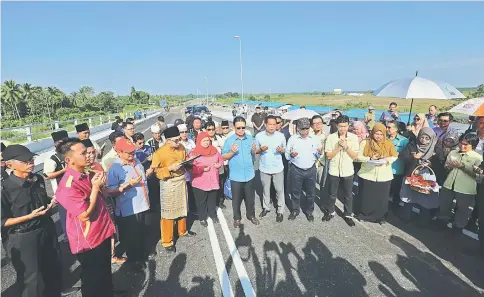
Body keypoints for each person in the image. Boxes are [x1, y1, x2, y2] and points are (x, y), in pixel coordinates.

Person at [56, 138, 116, 297]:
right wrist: (95, 188)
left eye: (89, 151)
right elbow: (84, 215)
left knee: (104, 271)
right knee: (92, 278)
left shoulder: (87, 173)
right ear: (69, 160)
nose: (90, 155)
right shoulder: (68, 185)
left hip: (102, 230)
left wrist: (100, 185)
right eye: (83, 153)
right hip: (88, 239)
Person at [1, 145, 62, 297]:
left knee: (52, 268)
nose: (31, 163)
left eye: (31, 159)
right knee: (30, 278)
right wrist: (28, 217)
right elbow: (2, 221)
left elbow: (41, 200)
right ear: (10, 165)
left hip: (46, 228)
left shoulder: (37, 179)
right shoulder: (5, 189)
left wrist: (51, 202)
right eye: (25, 161)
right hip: (23, 236)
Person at [106, 137, 150, 271]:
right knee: (132, 237)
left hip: (142, 204)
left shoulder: (136, 161)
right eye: (128, 153)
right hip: (128, 208)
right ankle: (135, 261)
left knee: (141, 232)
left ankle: (141, 255)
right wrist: (127, 186)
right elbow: (110, 192)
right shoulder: (115, 168)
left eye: (133, 152)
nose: (132, 155)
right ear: (119, 152)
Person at [151, 126, 196, 252]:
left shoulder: (181, 147)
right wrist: (170, 168)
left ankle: (182, 231)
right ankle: (167, 241)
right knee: (168, 213)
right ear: (167, 141)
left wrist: (189, 163)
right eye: (176, 140)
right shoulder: (159, 153)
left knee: (183, 206)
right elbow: (156, 172)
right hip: (168, 183)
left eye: (179, 139)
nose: (179, 142)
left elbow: (185, 160)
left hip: (181, 180)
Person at [438, 133, 482, 230]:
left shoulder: (478, 158)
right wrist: (448, 167)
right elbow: (446, 167)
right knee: (444, 205)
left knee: (462, 210)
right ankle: (442, 223)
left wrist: (463, 167)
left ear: (473, 145)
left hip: (466, 189)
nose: (462, 146)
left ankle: (458, 228)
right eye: (461, 143)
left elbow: (479, 177)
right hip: (449, 184)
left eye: (466, 144)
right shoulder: (453, 153)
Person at [222, 116, 260, 228]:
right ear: (234, 127)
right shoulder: (229, 141)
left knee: (250, 199)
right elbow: (224, 156)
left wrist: (254, 151)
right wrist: (232, 152)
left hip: (249, 175)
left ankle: (251, 215)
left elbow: (253, 154)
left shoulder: (250, 139)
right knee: (236, 200)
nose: (241, 130)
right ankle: (237, 218)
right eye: (238, 128)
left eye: (243, 127)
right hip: (236, 176)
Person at [356, 123, 398, 224]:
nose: (378, 136)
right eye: (376, 133)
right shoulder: (365, 143)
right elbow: (357, 157)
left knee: (381, 198)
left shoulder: (388, 143)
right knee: (366, 196)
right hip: (367, 174)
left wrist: (387, 160)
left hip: (384, 175)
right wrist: (369, 159)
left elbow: (394, 156)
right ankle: (364, 215)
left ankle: (380, 217)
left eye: (381, 134)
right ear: (372, 133)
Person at [323, 115, 359, 226]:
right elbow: (328, 155)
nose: (342, 129)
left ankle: (348, 214)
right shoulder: (331, 137)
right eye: (340, 126)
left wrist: (346, 147)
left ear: (348, 125)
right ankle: (330, 211)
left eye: (345, 126)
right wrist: (338, 147)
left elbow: (355, 156)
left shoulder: (353, 138)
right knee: (332, 193)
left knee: (348, 194)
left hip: (348, 170)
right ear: (337, 126)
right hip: (334, 169)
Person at [398, 127, 438, 226]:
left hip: (427, 176)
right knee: (408, 196)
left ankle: (423, 221)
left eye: (427, 138)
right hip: (412, 173)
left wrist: (430, 164)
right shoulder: (412, 145)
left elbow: (441, 163)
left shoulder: (435, 148)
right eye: (422, 137)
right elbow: (403, 156)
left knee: (426, 198)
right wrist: (413, 157)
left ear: (431, 139)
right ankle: (405, 217)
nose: (423, 140)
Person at [285, 118, 321, 222]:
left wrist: (320, 153)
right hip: (296, 169)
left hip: (311, 169)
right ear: (298, 129)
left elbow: (319, 155)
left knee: (311, 192)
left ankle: (309, 211)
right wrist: (291, 155)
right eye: (302, 129)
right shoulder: (293, 139)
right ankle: (295, 210)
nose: (305, 131)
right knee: (296, 192)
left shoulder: (315, 138)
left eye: (307, 129)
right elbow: (287, 155)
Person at [255, 115, 286, 222]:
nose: (272, 127)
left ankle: (280, 211)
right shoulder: (259, 136)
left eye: (274, 124)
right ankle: (266, 207)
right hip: (264, 168)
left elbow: (285, 151)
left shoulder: (281, 136)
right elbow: (255, 151)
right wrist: (260, 149)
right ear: (265, 124)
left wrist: (282, 150)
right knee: (265, 189)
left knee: (279, 190)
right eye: (270, 124)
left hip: (278, 168)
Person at [190, 132, 224, 227]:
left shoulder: (214, 150)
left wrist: (219, 164)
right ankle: (202, 217)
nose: (206, 142)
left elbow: (220, 160)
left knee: (212, 200)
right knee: (201, 202)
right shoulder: (194, 153)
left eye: (208, 140)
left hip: (213, 180)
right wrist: (201, 169)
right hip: (200, 182)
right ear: (199, 141)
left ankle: (213, 215)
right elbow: (190, 168)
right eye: (204, 141)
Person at [43, 130, 69, 241]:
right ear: (56, 144)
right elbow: (47, 176)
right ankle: (67, 235)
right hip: (61, 191)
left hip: (76, 187)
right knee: (65, 215)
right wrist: (64, 170)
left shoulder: (71, 153)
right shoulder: (52, 158)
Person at [386, 121, 409, 205]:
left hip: (396, 169)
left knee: (396, 192)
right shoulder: (384, 138)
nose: (387, 129)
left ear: (396, 129)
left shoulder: (404, 141)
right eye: (387, 127)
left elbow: (406, 155)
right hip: (384, 168)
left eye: (389, 127)